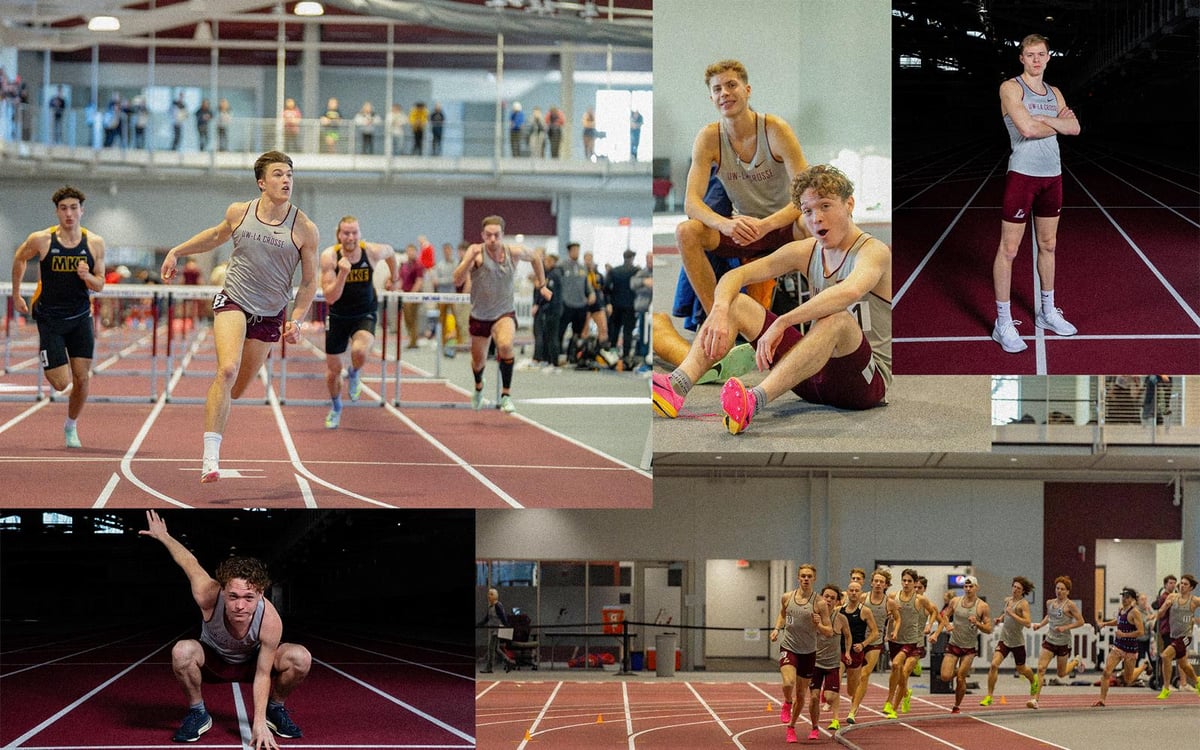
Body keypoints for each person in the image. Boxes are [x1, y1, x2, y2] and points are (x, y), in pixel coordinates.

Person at [652, 165, 891, 435]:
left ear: (850, 204)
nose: (816, 219)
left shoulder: (873, 252)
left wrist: (782, 323)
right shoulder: (807, 251)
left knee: (837, 319)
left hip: (864, 384)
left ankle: (754, 400)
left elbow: (847, 292)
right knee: (737, 303)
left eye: (825, 206)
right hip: (812, 374)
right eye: (808, 211)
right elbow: (736, 275)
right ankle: (677, 386)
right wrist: (718, 311)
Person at [160, 150, 319, 483]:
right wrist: (176, 251)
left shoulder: (304, 227)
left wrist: (298, 319)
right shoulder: (239, 212)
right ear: (262, 182)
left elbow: (308, 282)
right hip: (234, 299)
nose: (286, 179)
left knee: (239, 387)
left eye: (290, 174)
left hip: (271, 312)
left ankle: (219, 408)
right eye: (278, 174)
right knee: (227, 369)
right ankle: (210, 457)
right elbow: (216, 236)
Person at [139, 510, 310, 747]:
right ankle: (198, 712)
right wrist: (164, 536)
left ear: (261, 593)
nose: (240, 606)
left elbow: (263, 673)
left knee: (300, 657)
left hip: (251, 663)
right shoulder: (207, 594)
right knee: (182, 651)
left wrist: (258, 722)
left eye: (249, 597)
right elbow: (189, 561)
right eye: (233, 596)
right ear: (222, 590)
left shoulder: (270, 620)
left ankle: (274, 710)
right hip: (214, 661)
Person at [675, 60, 808, 313]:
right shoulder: (708, 138)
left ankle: (827, 316)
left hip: (783, 226)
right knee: (686, 231)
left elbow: (806, 195)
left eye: (731, 85)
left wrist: (767, 225)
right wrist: (725, 223)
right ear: (711, 98)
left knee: (814, 222)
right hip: (742, 230)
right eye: (717, 89)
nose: (724, 93)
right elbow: (691, 203)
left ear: (747, 90)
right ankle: (719, 318)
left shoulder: (775, 130)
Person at [991, 33, 1081, 353]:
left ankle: (1047, 312)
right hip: (1022, 176)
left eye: (1041, 54)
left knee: (1049, 244)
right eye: (1030, 55)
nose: (1036, 60)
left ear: (1048, 57)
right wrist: (1055, 122)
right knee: (1010, 250)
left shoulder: (1055, 92)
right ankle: (1003, 322)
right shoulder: (1010, 88)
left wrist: (1042, 118)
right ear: (1022, 58)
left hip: (1052, 176)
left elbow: (1076, 128)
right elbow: (1026, 130)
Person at [10, 186, 108, 449]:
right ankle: (49, 353)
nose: (69, 213)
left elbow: (101, 284)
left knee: (83, 378)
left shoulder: (94, 243)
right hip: (50, 319)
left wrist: (88, 277)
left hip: (80, 317)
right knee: (61, 382)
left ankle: (71, 425)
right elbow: (19, 259)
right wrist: (17, 294)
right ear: (57, 212)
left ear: (81, 211)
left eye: (74, 208)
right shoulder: (41, 239)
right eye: (64, 208)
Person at [453, 215, 550, 413]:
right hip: (480, 315)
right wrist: (468, 259)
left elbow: (536, 258)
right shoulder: (477, 253)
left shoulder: (513, 252)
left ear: (503, 235)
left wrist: (542, 285)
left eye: (496, 235)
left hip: (503, 312)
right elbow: (457, 280)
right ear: (482, 235)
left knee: (505, 345)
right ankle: (479, 386)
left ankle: (506, 395)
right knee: (478, 361)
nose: (492, 239)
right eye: (488, 235)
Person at [320, 216, 398, 429]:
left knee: (360, 351)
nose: (351, 237)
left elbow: (390, 252)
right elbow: (330, 297)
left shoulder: (371, 252)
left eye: (354, 232)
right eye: (346, 233)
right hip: (338, 316)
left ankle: (354, 373)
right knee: (333, 371)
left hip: (365, 313)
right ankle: (336, 407)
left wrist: (395, 276)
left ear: (360, 233)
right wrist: (343, 274)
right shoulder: (330, 257)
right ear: (339, 235)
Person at [769, 563, 833, 745]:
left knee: (802, 695)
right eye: (803, 576)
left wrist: (819, 624)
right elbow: (783, 614)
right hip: (789, 647)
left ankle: (791, 727)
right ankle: (787, 702)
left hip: (808, 652)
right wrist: (776, 629)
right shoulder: (787, 597)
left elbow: (828, 631)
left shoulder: (819, 603)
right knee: (788, 682)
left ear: (814, 579)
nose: (806, 579)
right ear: (798, 578)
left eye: (809, 576)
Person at [882, 569, 943, 719]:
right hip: (896, 639)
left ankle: (892, 708)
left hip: (916, 642)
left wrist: (931, 628)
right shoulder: (892, 596)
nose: (908, 584)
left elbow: (936, 615)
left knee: (901, 670)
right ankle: (906, 693)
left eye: (911, 582)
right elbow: (885, 612)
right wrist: (889, 615)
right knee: (898, 672)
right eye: (905, 580)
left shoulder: (922, 601)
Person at [846, 569, 898, 724]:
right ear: (871, 582)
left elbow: (898, 618)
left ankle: (852, 711)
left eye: (881, 582)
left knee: (864, 674)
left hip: (875, 642)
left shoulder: (889, 602)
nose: (878, 584)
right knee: (852, 684)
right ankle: (854, 699)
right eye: (875, 581)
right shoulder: (863, 597)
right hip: (858, 641)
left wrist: (893, 631)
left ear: (886, 585)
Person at [1028, 574, 1086, 708]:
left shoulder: (1070, 605)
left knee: (1061, 674)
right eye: (1057, 588)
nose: (1059, 591)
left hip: (1063, 642)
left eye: (1062, 589)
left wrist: (1066, 627)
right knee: (1041, 669)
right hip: (1050, 640)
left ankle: (1076, 661)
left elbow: (1081, 621)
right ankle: (1035, 700)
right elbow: (1049, 616)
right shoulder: (1050, 603)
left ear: (1067, 591)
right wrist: (1040, 625)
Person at [980, 576, 1039, 706]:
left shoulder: (1023, 604)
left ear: (1023, 591)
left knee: (1021, 669)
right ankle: (989, 696)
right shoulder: (1008, 600)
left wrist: (1012, 614)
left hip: (1017, 642)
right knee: (994, 664)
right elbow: (1007, 612)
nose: (1015, 590)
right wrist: (1000, 618)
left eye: (1018, 588)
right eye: (1014, 587)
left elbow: (1028, 623)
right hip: (1004, 639)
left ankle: (1033, 679)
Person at [940, 576, 993, 713]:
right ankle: (961, 670)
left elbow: (988, 629)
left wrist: (977, 623)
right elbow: (944, 615)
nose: (968, 589)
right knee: (945, 676)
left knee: (960, 678)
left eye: (971, 586)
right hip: (954, 644)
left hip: (969, 648)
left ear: (977, 587)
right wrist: (947, 625)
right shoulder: (955, 601)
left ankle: (956, 705)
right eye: (966, 586)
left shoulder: (982, 606)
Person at [808, 584, 852, 739]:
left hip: (833, 663)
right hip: (815, 662)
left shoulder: (841, 618)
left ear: (837, 602)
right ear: (821, 597)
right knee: (813, 698)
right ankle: (814, 727)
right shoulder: (813, 614)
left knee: (829, 697)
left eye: (832, 598)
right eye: (826, 596)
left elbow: (847, 635)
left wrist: (847, 651)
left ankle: (828, 705)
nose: (828, 600)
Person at [1094, 587, 1146, 706]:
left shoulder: (1135, 612)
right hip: (1118, 647)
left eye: (1127, 597)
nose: (1124, 599)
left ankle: (1144, 666)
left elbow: (1141, 632)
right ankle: (1102, 700)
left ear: (1133, 599)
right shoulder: (1121, 610)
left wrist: (1124, 634)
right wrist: (1105, 624)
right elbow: (1118, 621)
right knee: (1106, 672)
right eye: (1123, 596)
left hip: (1130, 649)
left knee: (1128, 680)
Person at [839, 577, 879, 727]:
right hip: (841, 650)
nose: (854, 593)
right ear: (847, 592)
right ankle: (836, 715)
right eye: (851, 590)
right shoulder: (839, 610)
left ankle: (852, 711)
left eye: (857, 591)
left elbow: (875, 633)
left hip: (856, 652)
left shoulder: (865, 611)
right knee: (835, 678)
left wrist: (863, 644)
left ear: (860, 593)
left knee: (852, 689)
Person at [1155, 573, 1200, 700]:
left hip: (1185, 637)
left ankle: (1166, 688)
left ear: (1190, 588)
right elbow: (1160, 612)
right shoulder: (1172, 597)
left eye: (1185, 584)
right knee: (1184, 664)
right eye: (1181, 583)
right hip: (1173, 636)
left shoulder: (1194, 600)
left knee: (1165, 655)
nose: (1182, 586)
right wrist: (1163, 609)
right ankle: (1197, 681)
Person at [556, 242, 594, 361]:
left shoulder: (583, 268)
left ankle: (572, 355)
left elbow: (586, 285)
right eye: (574, 250)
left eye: (578, 250)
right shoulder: (562, 266)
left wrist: (591, 293)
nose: (576, 252)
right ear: (569, 252)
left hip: (581, 304)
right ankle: (557, 354)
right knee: (560, 331)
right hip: (566, 304)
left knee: (577, 333)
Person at [434, 242, 466, 357]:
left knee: (458, 320)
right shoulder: (440, 265)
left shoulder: (456, 264)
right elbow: (435, 280)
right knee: (441, 321)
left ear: (451, 251)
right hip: (441, 297)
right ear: (443, 251)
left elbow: (455, 279)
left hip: (453, 296)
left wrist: (442, 281)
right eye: (445, 250)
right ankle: (443, 343)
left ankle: (460, 343)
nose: (447, 252)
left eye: (449, 250)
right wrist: (442, 280)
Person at [606, 250, 639, 362]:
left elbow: (606, 287)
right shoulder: (636, 271)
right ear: (632, 258)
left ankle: (612, 353)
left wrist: (609, 301)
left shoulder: (614, 271)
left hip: (616, 304)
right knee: (628, 332)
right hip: (630, 305)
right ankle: (625, 355)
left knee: (615, 330)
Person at [479, 588, 514, 673]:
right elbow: (486, 619)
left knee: (491, 648)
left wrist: (507, 627)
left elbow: (503, 617)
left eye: (491, 594)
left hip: (497, 630)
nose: (488, 596)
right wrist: (479, 624)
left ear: (495, 596)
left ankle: (489, 667)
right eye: (488, 594)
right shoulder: (490, 607)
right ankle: (508, 661)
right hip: (493, 630)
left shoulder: (498, 605)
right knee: (496, 649)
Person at [398, 244, 425, 349]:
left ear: (416, 252)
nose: (410, 253)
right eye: (409, 251)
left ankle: (414, 341)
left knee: (413, 318)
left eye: (412, 251)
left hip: (414, 295)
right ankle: (411, 338)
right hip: (404, 294)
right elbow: (400, 279)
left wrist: (412, 295)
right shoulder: (404, 265)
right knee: (407, 319)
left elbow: (419, 281)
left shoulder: (418, 265)